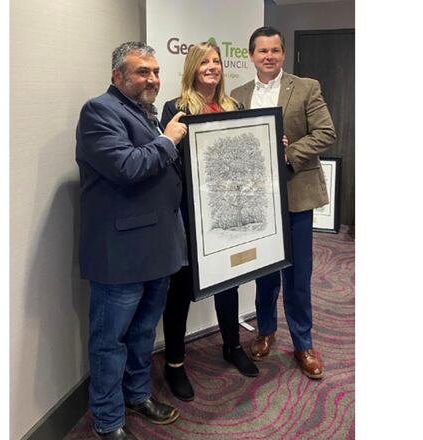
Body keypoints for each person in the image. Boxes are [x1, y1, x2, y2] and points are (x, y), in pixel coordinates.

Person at [75, 41, 189, 440]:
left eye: (156, 71)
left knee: (143, 334)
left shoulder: (147, 112)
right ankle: (108, 422)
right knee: (111, 343)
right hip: (120, 254)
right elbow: (126, 167)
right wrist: (168, 140)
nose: (153, 79)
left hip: (157, 248)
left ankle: (137, 395)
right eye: (143, 72)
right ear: (117, 76)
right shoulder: (98, 111)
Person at [230, 26, 337, 380]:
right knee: (263, 273)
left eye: (275, 50)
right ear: (251, 55)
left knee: (298, 274)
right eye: (262, 51)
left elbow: (325, 133)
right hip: (257, 199)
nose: (269, 56)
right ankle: (265, 331)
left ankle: (303, 343)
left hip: (295, 193)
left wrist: (288, 152)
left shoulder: (305, 87)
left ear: (283, 53)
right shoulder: (238, 94)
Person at [159, 42, 259, 402]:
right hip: (189, 213)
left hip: (226, 211)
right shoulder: (176, 108)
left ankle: (232, 346)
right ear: (192, 67)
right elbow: (169, 161)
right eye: (204, 61)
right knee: (182, 288)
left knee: (228, 281)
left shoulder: (234, 106)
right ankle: (174, 364)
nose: (212, 66)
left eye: (216, 61)